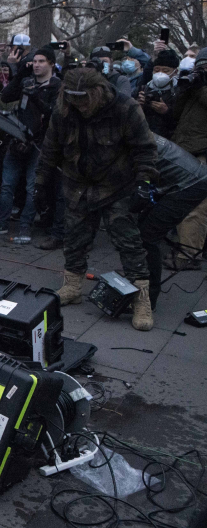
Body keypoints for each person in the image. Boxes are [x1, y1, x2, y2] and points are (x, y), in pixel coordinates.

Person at [34, 67, 158, 331]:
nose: (79, 105)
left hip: (116, 186)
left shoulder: (125, 108)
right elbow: (50, 150)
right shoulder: (64, 112)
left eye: (84, 98)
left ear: (98, 92)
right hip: (78, 185)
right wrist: (41, 184)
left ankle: (141, 298)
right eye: (73, 98)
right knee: (75, 237)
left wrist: (144, 183)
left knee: (129, 242)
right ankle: (73, 286)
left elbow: (145, 149)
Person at [0, 48, 61, 245]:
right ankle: (1, 223)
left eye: (41, 61)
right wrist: (20, 74)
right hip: (17, 138)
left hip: (39, 145)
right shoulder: (27, 81)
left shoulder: (56, 86)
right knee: (7, 185)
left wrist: (35, 96)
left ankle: (25, 226)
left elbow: (54, 114)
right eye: (34, 61)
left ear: (51, 63)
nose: (36, 65)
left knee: (31, 187)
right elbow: (6, 97)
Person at [138, 137, 207, 309]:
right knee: (144, 229)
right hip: (186, 176)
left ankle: (148, 299)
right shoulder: (132, 128)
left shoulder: (130, 131)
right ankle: (140, 282)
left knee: (148, 236)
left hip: (191, 183)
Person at [165, 47, 207, 270]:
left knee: (196, 207)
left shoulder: (202, 88)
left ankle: (188, 255)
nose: (201, 71)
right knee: (181, 203)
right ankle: (184, 249)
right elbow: (175, 113)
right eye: (199, 66)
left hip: (203, 151)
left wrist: (200, 87)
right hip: (185, 148)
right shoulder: (195, 86)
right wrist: (184, 88)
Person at [137, 49, 179, 138]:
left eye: (165, 70)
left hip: (169, 137)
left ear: (175, 72)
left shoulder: (180, 90)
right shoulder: (144, 87)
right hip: (145, 134)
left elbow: (182, 119)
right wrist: (138, 105)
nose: (160, 73)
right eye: (157, 70)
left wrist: (167, 112)